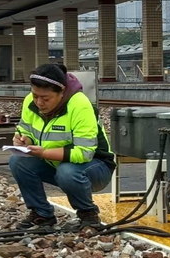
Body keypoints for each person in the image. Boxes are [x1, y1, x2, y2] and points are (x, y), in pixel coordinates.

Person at [9, 64, 116, 231]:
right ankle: (41, 214)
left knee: (67, 171)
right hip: (55, 163)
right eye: (35, 96)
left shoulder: (80, 105)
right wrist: (24, 140)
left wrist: (44, 152)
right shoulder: (30, 102)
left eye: (46, 99)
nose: (39, 102)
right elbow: (25, 129)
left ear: (62, 92)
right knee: (18, 161)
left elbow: (84, 153)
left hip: (96, 167)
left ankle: (88, 215)